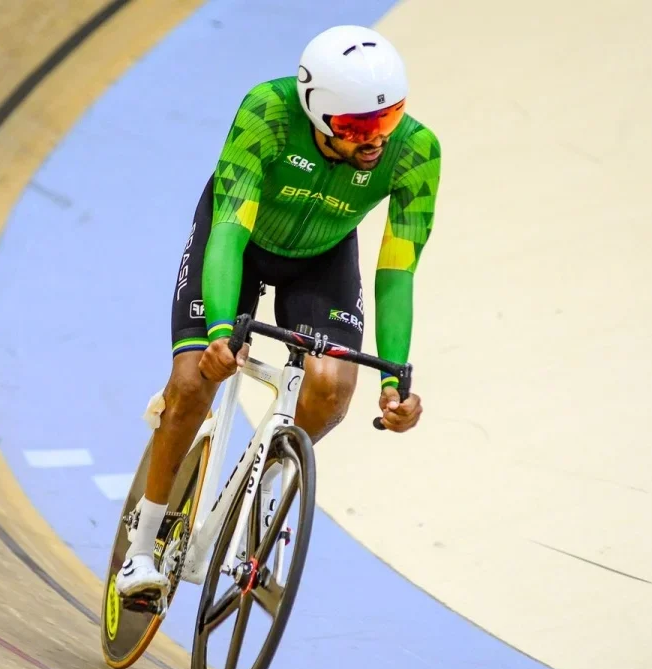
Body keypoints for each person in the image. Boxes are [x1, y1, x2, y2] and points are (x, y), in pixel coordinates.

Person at [116, 24, 441, 596]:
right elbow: (229, 232)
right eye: (356, 128)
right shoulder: (267, 110)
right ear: (315, 113)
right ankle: (140, 549)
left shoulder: (417, 153)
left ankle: (261, 488)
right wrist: (219, 332)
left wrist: (393, 376)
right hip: (238, 238)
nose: (375, 141)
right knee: (194, 383)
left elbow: (396, 273)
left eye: (386, 120)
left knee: (330, 388)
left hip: (322, 255)